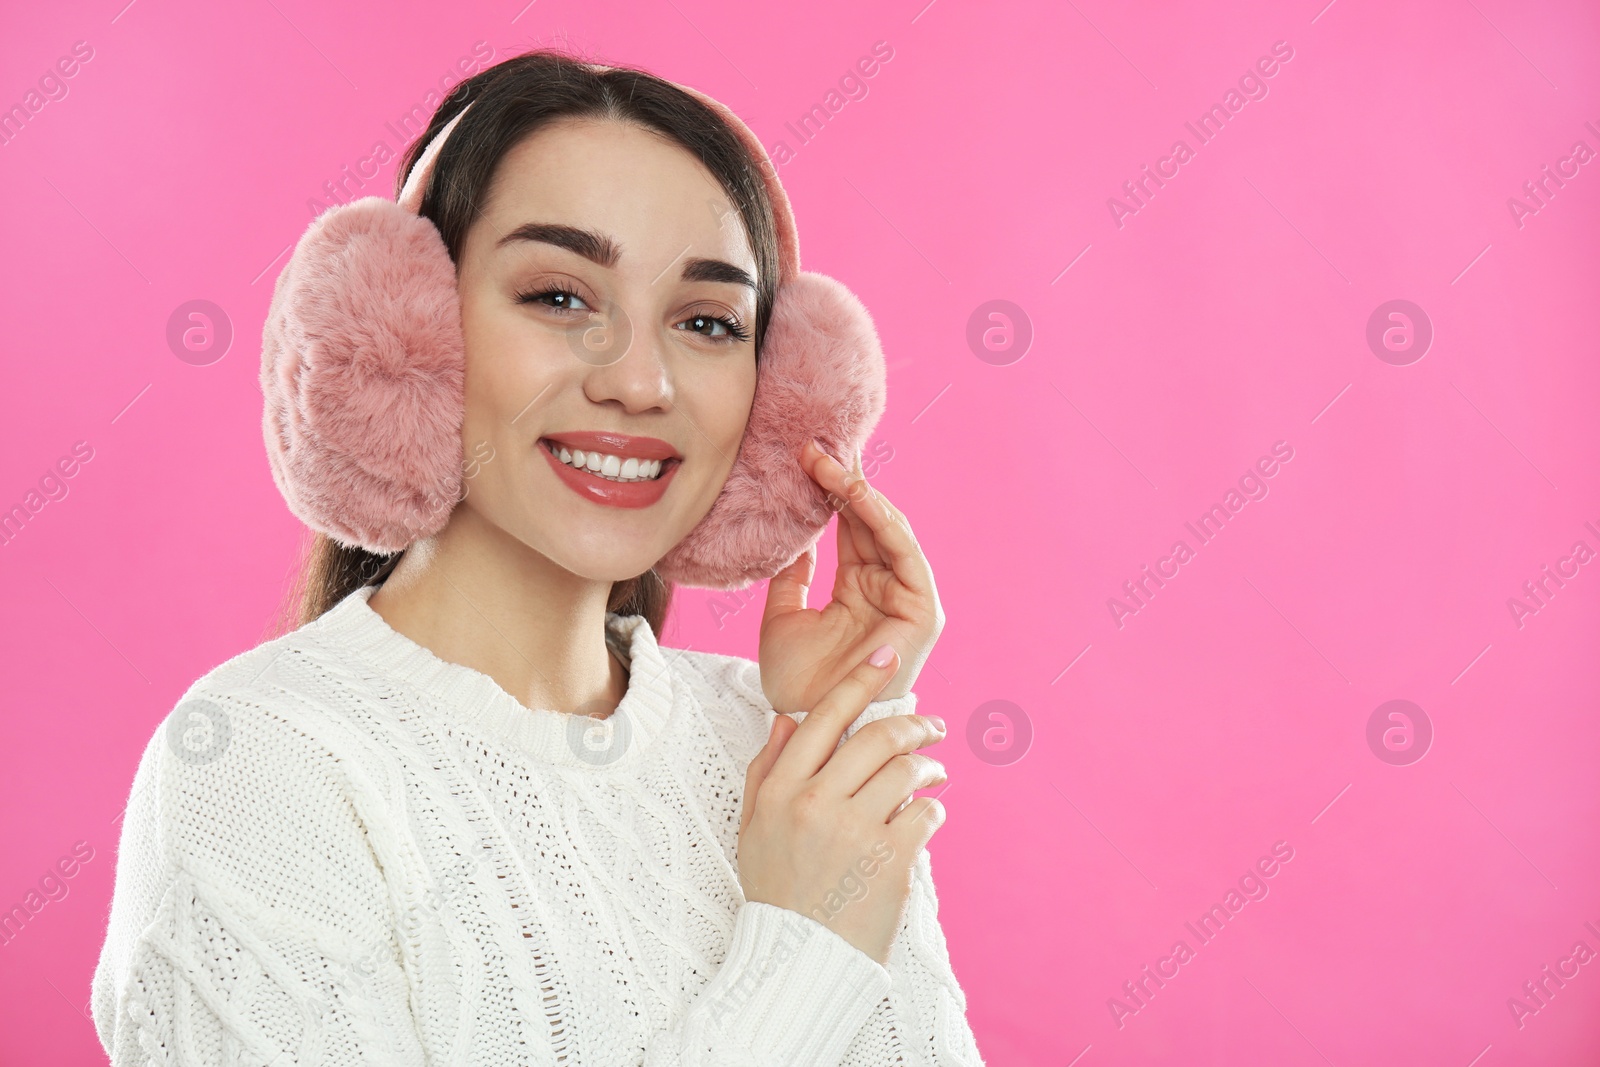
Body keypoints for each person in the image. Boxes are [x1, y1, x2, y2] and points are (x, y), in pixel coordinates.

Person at [90, 49, 984, 1066]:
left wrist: (827, 728)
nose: (642, 382)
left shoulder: (770, 749)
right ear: (406, 335)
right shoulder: (259, 762)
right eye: (560, 296)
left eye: (705, 321)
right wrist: (805, 951)